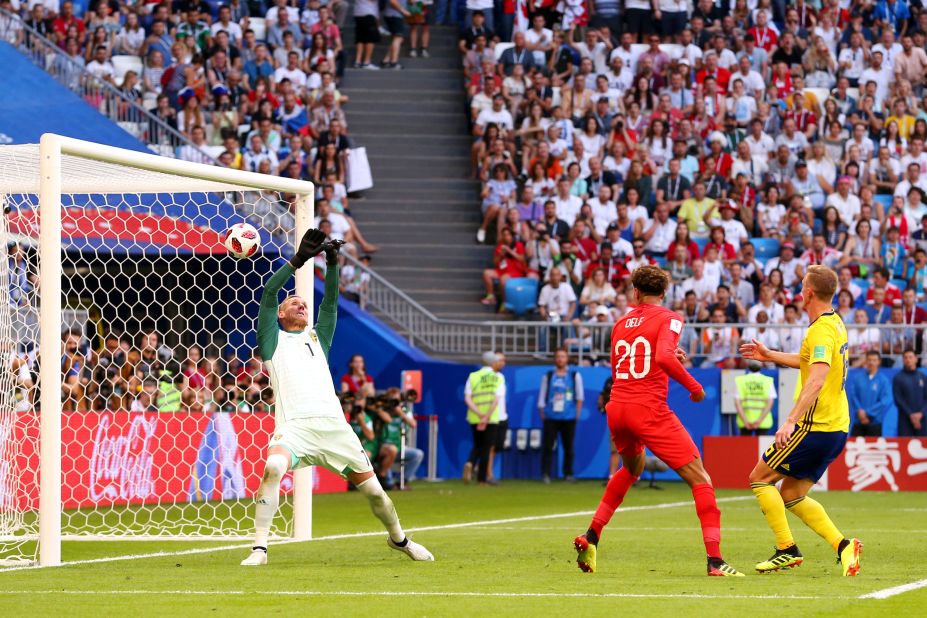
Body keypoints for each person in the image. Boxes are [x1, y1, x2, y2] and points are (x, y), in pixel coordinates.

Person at [241, 230, 433, 566]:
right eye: (293, 304)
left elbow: (329, 303)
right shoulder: (272, 340)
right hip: (295, 428)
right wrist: (298, 261)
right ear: (282, 316)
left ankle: (399, 539)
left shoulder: (318, 338)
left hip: (334, 429)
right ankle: (260, 548)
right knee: (273, 467)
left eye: (302, 303)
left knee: (375, 493)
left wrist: (331, 262)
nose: (301, 304)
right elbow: (269, 293)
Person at [573, 265, 743, 577]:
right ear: (664, 293)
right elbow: (663, 357)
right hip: (647, 408)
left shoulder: (621, 323)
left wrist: (664, 356)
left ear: (635, 292)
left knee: (631, 469)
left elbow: (627, 364)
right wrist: (694, 387)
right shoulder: (670, 317)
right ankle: (716, 561)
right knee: (701, 479)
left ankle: (592, 536)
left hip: (618, 407)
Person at [741, 265, 862, 577]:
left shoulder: (820, 330)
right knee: (792, 495)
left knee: (759, 478)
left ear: (808, 293)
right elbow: (812, 362)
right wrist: (770, 355)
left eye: (802, 287)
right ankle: (843, 545)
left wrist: (790, 421)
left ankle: (786, 549)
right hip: (836, 426)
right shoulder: (834, 323)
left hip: (814, 425)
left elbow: (817, 379)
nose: (799, 292)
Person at [538, 348, 584, 484]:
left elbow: (580, 397)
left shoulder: (575, 375)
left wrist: (577, 415)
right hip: (551, 417)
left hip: (569, 417)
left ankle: (568, 473)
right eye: (558, 356)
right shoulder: (548, 376)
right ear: (555, 359)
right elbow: (542, 397)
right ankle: (546, 474)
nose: (560, 359)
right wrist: (543, 413)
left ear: (567, 358)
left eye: (563, 357)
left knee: (568, 447)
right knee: (548, 446)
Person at [462, 351, 505, 485]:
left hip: (474, 417)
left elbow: (467, 398)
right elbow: (497, 400)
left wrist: (479, 415)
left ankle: (470, 462)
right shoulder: (498, 377)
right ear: (493, 362)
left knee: (477, 444)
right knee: (487, 447)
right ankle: (482, 479)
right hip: (491, 418)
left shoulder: (473, 376)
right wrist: (486, 416)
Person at [847, 351, 893, 437]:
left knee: (873, 449)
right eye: (869, 360)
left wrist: (868, 413)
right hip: (858, 420)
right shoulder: (858, 378)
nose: (871, 362)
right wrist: (860, 412)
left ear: (879, 362)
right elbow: (853, 396)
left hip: (875, 422)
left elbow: (885, 400)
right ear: (866, 361)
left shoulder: (883, 380)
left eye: (874, 360)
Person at [734, 361, 776, 436]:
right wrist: (759, 421)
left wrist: (745, 421)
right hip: (763, 421)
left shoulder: (740, 380)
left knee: (745, 447)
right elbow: (770, 403)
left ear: (748, 365)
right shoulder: (767, 381)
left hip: (745, 422)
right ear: (761, 365)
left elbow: (737, 403)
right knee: (763, 447)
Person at [893, 348, 927, 437]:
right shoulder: (898, 378)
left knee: (922, 448)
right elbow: (898, 399)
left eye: (910, 357)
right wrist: (910, 415)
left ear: (916, 359)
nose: (908, 360)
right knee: (904, 447)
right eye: (905, 357)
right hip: (905, 420)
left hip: (922, 419)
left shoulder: (923, 377)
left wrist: (921, 413)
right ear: (903, 360)